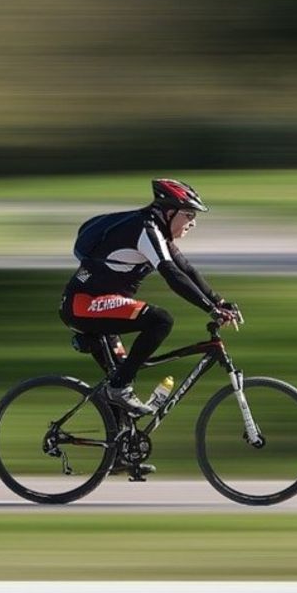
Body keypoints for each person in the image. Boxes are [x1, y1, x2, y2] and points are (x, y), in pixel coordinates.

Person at [60, 178, 239, 416]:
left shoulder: (157, 233)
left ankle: (121, 442)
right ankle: (118, 388)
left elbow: (186, 269)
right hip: (84, 305)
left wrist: (219, 301)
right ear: (168, 212)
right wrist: (209, 309)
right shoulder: (145, 229)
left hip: (98, 305)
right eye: (189, 215)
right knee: (160, 320)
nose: (192, 223)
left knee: (122, 404)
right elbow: (172, 275)